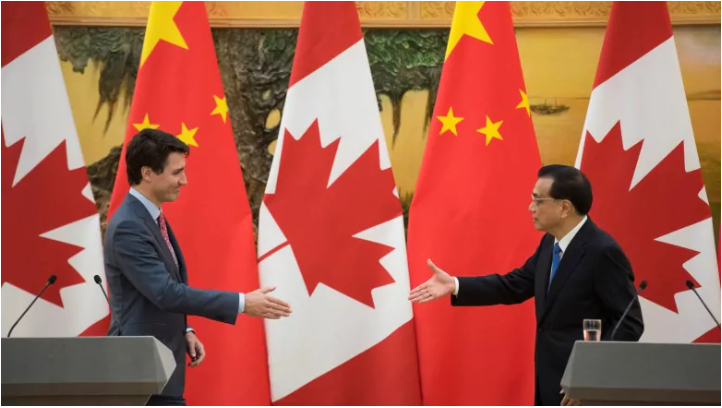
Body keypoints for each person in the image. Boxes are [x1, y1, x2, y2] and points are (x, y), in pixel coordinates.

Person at [409, 164, 644, 406]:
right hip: (548, 380)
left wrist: (588, 379)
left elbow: (629, 323)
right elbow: (515, 284)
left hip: (581, 391)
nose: (530, 208)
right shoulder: (550, 242)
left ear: (564, 207)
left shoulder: (602, 252)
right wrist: (456, 285)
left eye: (538, 200)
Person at [104, 129, 292, 406]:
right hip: (140, 374)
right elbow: (166, 293)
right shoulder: (129, 226)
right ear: (147, 173)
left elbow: (156, 292)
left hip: (160, 368)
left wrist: (184, 330)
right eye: (177, 172)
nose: (185, 180)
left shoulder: (148, 216)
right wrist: (242, 303)